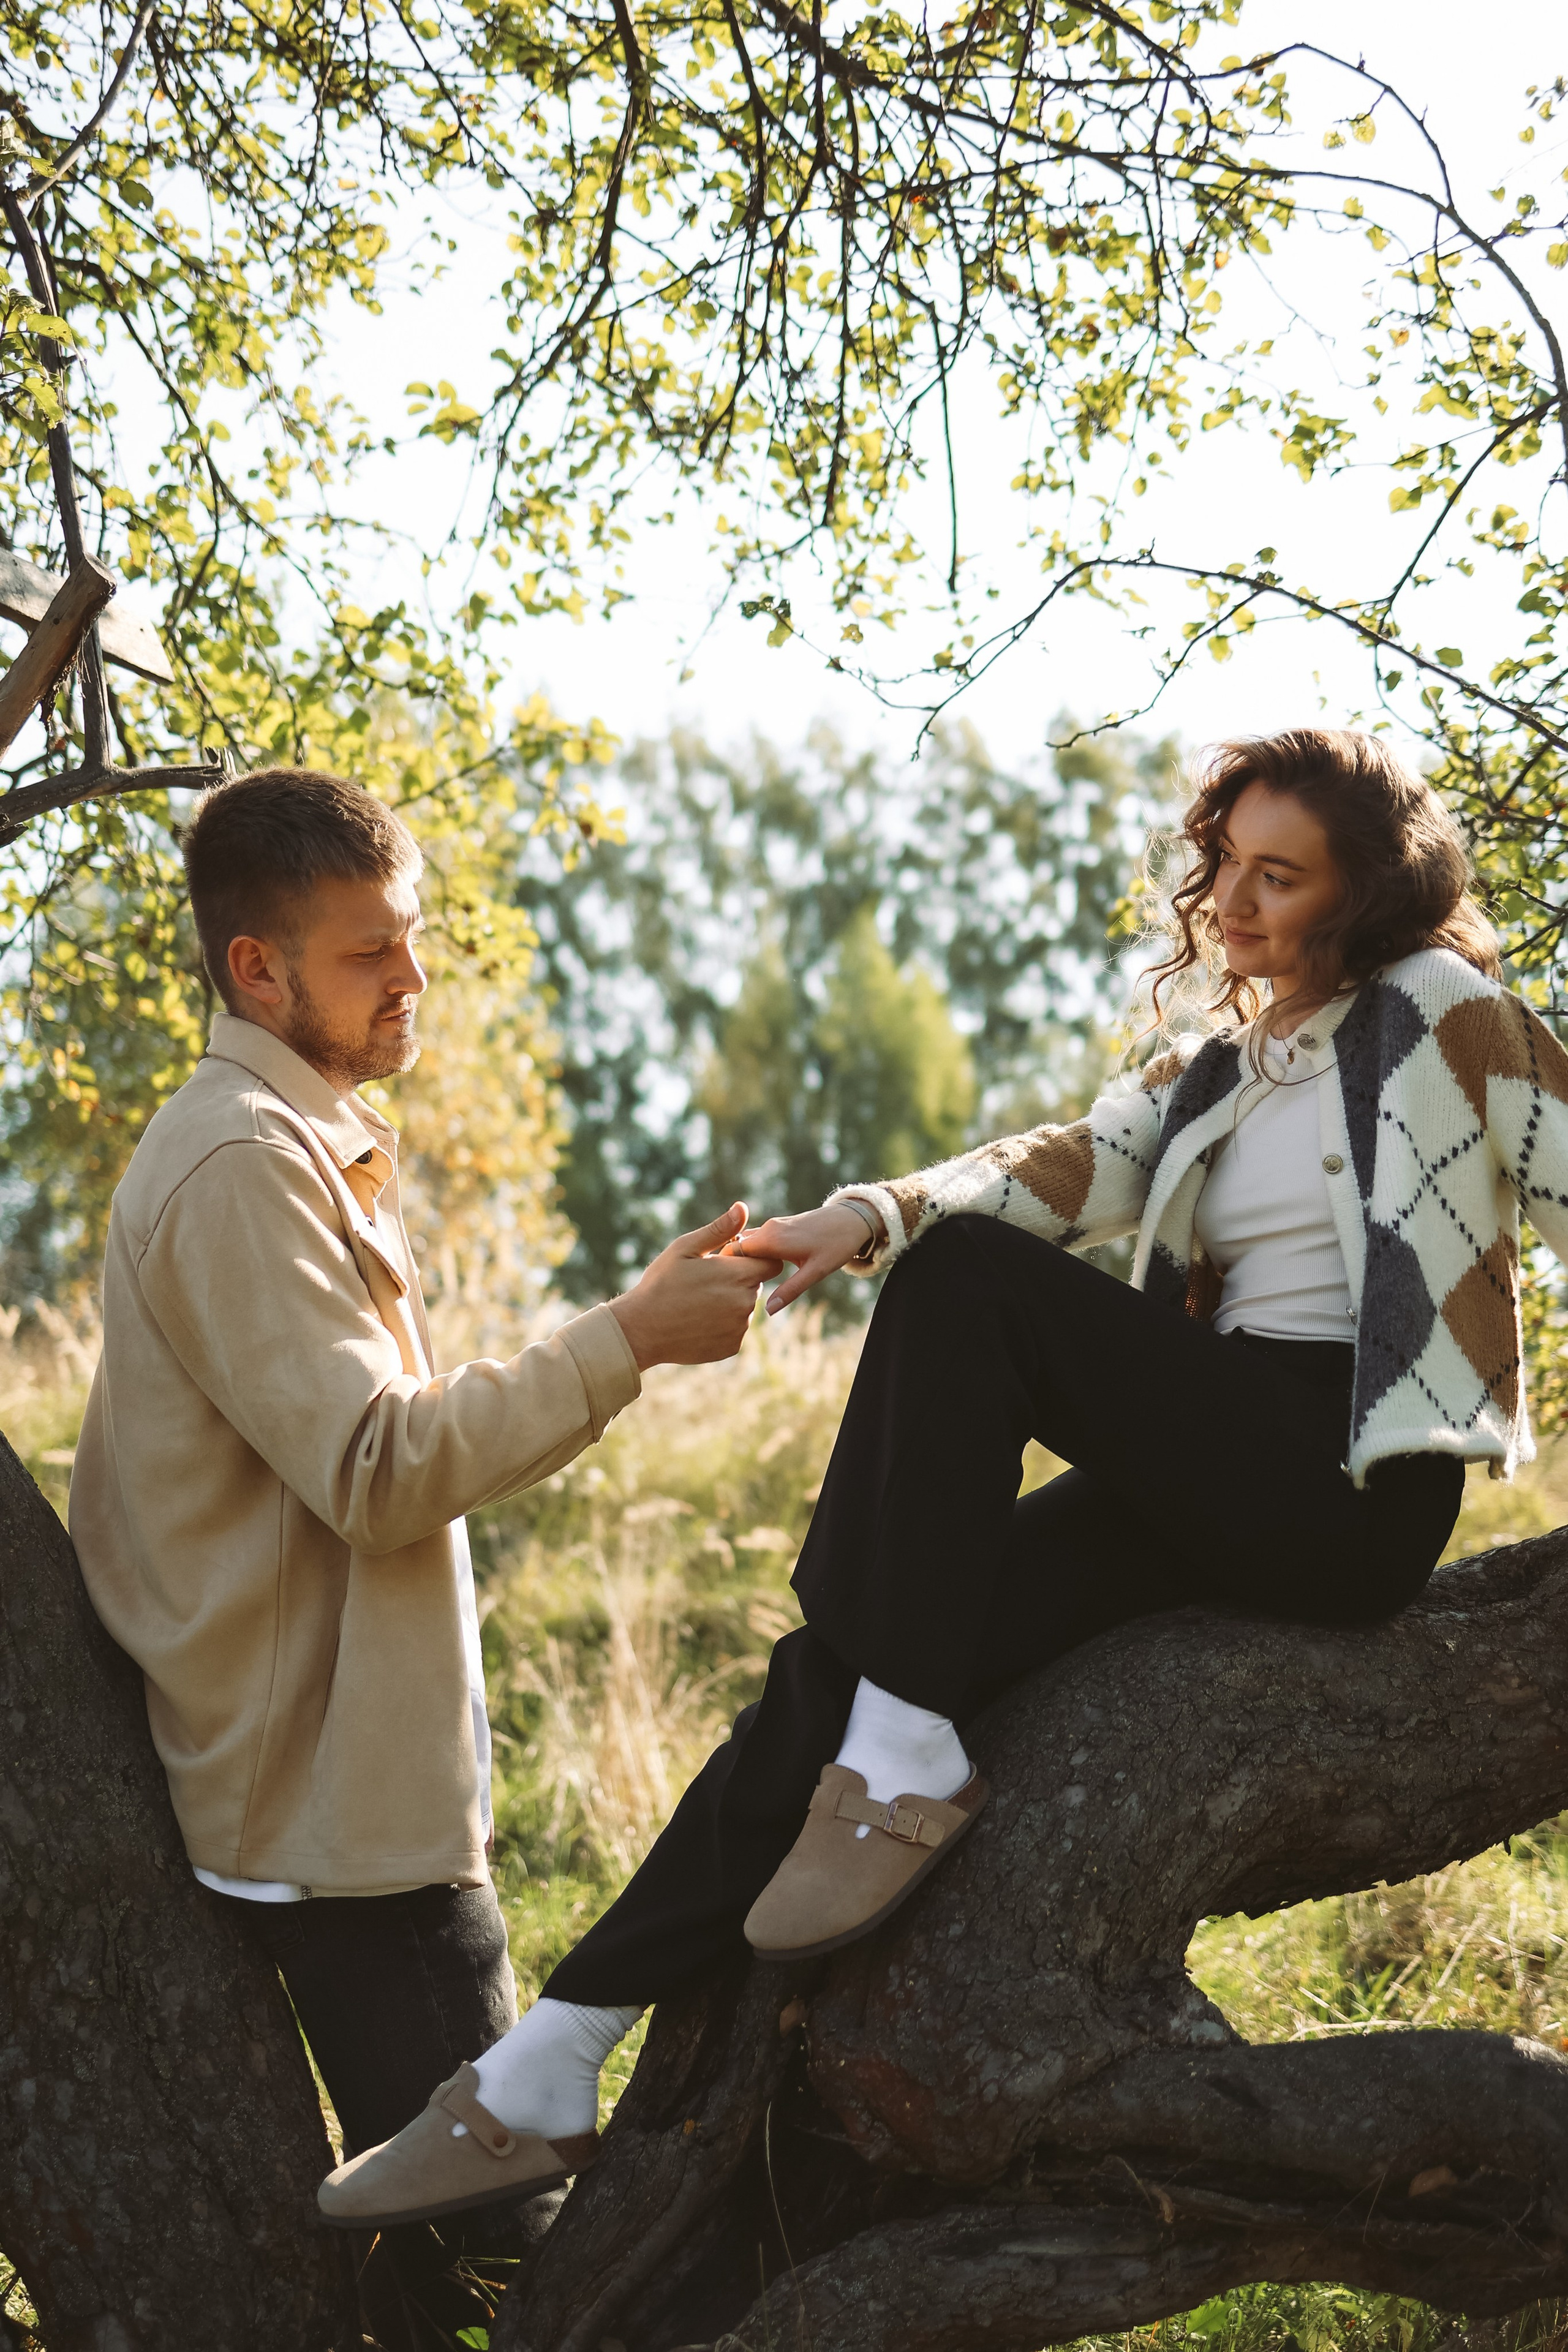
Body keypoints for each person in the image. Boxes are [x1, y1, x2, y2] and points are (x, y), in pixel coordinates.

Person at [320, 725, 1568, 2234]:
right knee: (834, 1670)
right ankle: (544, 2065)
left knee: (969, 1295)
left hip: (1344, 1486)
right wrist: (855, 1218)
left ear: (1367, 890)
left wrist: (904, 1243)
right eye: (1224, 865)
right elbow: (1059, 1167)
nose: (1233, 906)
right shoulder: (1223, 1067)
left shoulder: (1448, 1014)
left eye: (1278, 877)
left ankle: (900, 1752)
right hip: (1213, 1461)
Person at [69, 767, 776, 2351]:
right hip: (333, 1834)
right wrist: (628, 1342)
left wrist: (628, 1331)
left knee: (451, 2261)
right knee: (511, 2265)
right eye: (372, 952)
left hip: (356, 1799)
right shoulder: (242, 1164)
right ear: (257, 969)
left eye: (418, 938)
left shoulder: (303, 1141)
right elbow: (380, 1469)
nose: (417, 979)